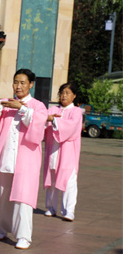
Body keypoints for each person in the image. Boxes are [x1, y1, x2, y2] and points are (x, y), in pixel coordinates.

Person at [0, 68, 47, 250]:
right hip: (6, 156)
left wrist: (22, 109)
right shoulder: (7, 103)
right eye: (16, 82)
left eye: (23, 82)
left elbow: (40, 123)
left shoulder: (37, 105)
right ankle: (3, 228)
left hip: (26, 160)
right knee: (4, 195)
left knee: (23, 197)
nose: (18, 86)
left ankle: (24, 236)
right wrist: (2, 104)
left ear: (31, 84)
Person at [43, 81, 83, 221]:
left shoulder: (76, 112)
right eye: (62, 93)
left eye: (67, 93)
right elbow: (43, 121)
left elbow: (71, 127)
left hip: (68, 152)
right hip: (53, 150)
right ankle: (51, 207)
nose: (64, 96)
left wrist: (54, 121)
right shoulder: (54, 109)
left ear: (74, 96)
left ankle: (69, 210)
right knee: (52, 180)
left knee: (69, 180)